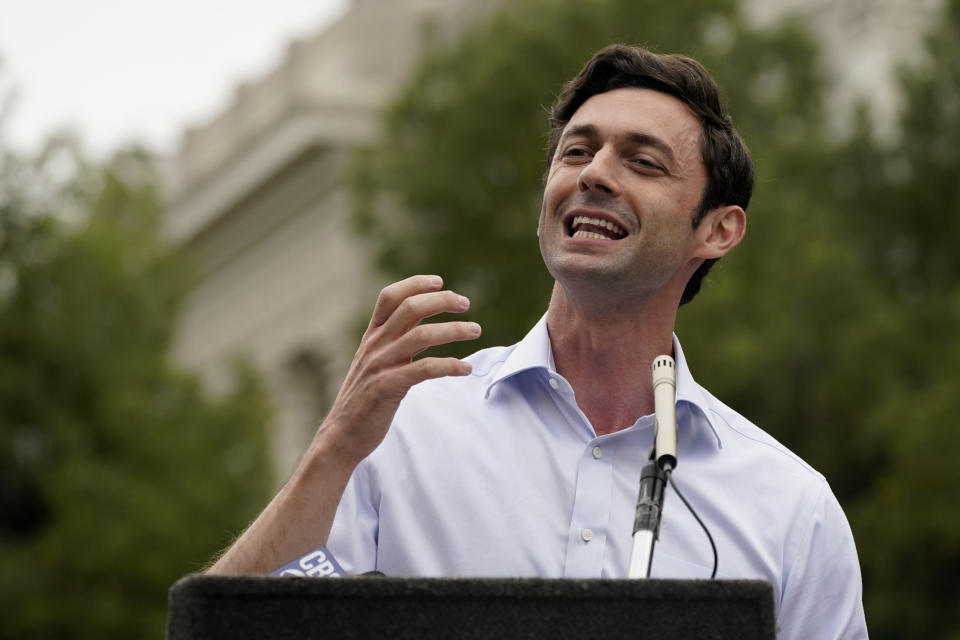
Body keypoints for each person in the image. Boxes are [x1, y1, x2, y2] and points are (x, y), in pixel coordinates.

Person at [208, 45, 867, 639]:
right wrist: (332, 451)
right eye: (576, 151)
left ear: (718, 230)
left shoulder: (791, 509)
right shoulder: (404, 428)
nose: (595, 174)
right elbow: (225, 629)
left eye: (642, 161)